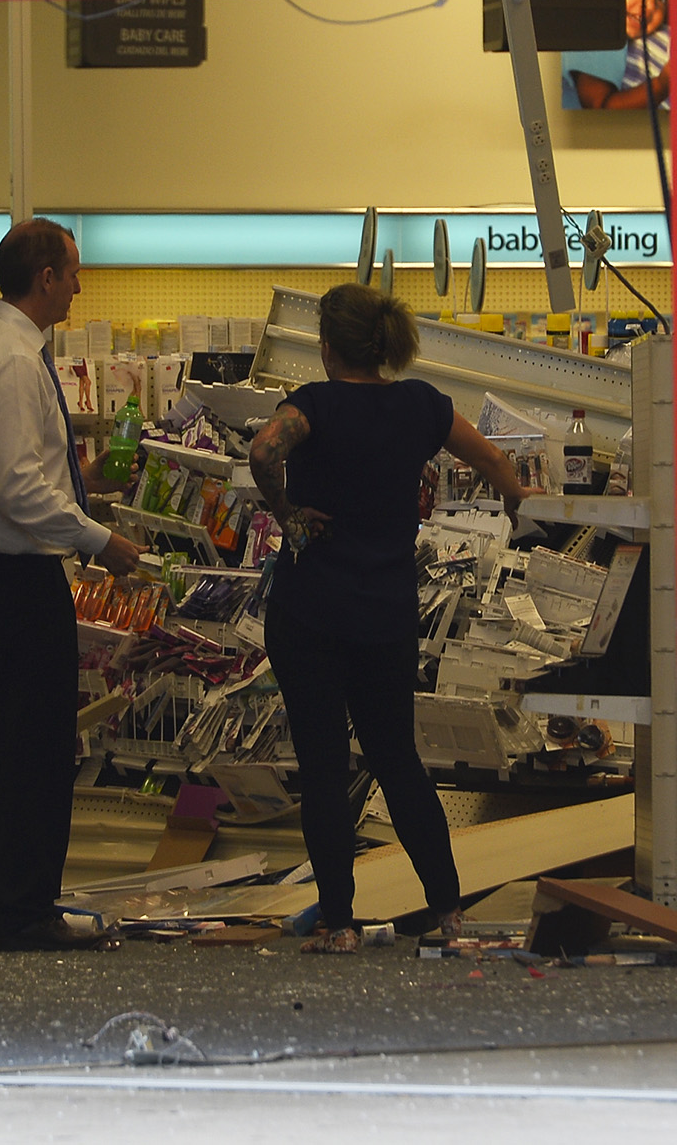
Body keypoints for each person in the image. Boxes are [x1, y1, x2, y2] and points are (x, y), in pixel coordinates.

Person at [248, 283, 530, 953]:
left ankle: (341, 922)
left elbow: (264, 452)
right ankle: (449, 908)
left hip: (310, 611)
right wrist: (523, 508)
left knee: (320, 766)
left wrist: (286, 513)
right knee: (397, 760)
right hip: (386, 615)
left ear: (325, 346)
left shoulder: (313, 404)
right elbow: (494, 461)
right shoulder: (421, 405)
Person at [0, 217, 145, 952]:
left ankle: (2, 898)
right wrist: (100, 540)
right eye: (74, 271)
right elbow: (18, 490)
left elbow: (10, 477)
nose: (80, 285)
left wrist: (81, 484)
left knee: (3, 744)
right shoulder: (16, 363)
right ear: (46, 278)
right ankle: (23, 907)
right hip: (13, 577)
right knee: (36, 744)